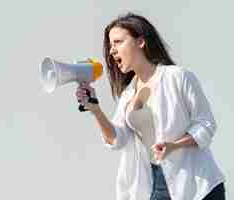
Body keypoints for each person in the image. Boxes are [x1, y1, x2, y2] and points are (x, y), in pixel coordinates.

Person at [76, 12, 225, 200]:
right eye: (110, 45)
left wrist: (173, 145)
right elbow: (117, 140)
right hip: (156, 184)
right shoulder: (128, 94)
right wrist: (95, 110)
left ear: (141, 42)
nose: (112, 51)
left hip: (197, 185)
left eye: (118, 42)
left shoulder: (178, 77)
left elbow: (206, 124)